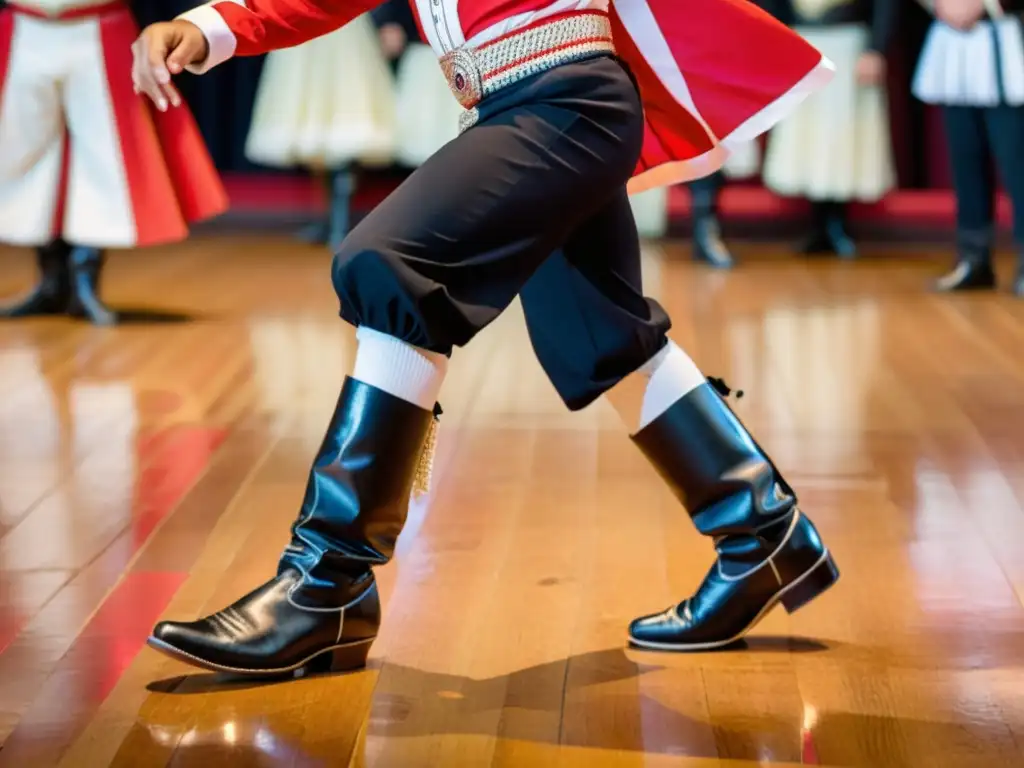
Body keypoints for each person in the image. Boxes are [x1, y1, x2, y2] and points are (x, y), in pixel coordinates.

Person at [132, 0, 839, 676]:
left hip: (566, 99)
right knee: (600, 336)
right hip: (536, 104)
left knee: (388, 263)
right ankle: (763, 535)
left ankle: (326, 582)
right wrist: (211, 25)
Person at [0, 0, 226, 325]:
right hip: (26, 25)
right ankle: (51, 281)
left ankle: (84, 280)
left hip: (98, 24)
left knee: (107, 158)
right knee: (23, 155)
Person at [245, 14, 396, 250]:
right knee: (310, 128)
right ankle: (329, 217)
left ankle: (340, 221)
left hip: (343, 24)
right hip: (302, 24)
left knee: (348, 117)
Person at [759, 0, 897, 258]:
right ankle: (817, 225)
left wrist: (877, 48)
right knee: (807, 132)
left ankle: (837, 223)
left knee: (842, 132)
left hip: (848, 43)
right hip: (803, 40)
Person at [913, 0, 1024, 295]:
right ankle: (973, 259)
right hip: (955, 44)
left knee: (1017, 163)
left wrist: (985, 4)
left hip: (1010, 41)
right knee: (965, 158)